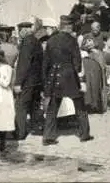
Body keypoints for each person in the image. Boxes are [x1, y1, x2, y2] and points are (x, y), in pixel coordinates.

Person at [42, 15, 93, 146]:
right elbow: (77, 62)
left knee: (52, 108)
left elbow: (46, 62)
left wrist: (46, 78)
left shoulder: (51, 40)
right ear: (68, 26)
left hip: (55, 75)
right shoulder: (72, 40)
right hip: (69, 75)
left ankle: (48, 136)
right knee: (79, 106)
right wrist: (76, 72)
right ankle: (84, 134)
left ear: (60, 26)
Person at [14, 21, 44, 140]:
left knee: (21, 106)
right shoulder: (36, 41)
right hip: (36, 80)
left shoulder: (26, 43)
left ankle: (20, 133)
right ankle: (36, 128)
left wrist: (18, 82)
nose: (19, 34)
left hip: (27, 81)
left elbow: (24, 64)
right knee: (34, 106)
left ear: (24, 30)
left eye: (19, 31)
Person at [80, 38, 107, 113]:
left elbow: (102, 64)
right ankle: (89, 105)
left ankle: (96, 106)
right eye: (86, 42)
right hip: (88, 73)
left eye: (90, 41)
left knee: (96, 87)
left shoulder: (99, 53)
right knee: (88, 88)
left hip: (96, 73)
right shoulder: (84, 53)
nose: (88, 43)